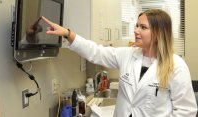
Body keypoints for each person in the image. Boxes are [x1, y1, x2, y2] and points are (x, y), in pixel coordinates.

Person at [41, 9, 197, 117]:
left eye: (143, 27)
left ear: (158, 33)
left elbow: (186, 112)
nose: (136, 30)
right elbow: (96, 52)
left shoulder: (176, 66)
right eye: (137, 25)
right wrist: (68, 34)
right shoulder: (128, 55)